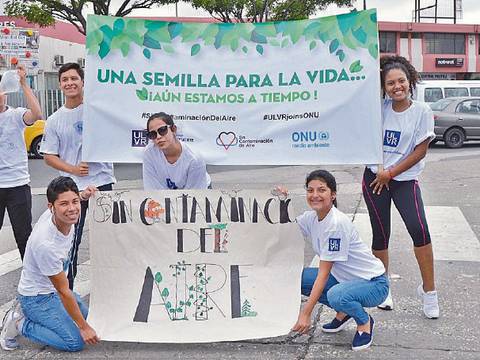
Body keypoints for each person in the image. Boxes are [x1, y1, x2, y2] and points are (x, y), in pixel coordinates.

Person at [362, 55, 439, 318]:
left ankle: (429, 292)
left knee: (420, 230)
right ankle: (383, 290)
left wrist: (392, 172)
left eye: (401, 81)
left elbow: (420, 150)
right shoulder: (378, 108)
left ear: (410, 81)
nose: (397, 87)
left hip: (403, 181)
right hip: (375, 179)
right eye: (390, 82)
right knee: (380, 235)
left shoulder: (421, 111)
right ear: (383, 86)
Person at [280, 170, 389, 351]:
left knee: (336, 295)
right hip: (345, 279)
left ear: (333, 194)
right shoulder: (312, 218)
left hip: (374, 284)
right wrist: (282, 202)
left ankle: (364, 321)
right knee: (296, 278)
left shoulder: (335, 224)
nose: (315, 195)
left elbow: (323, 274)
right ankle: (344, 311)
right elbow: (286, 228)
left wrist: (305, 314)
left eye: (321, 190)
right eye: (310, 190)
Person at [0, 176, 99, 352]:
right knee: (75, 342)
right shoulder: (46, 244)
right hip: (37, 298)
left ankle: (61, 320)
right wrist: (83, 327)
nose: (72, 209)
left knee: (93, 320)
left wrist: (84, 196)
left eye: (74, 201)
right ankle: (18, 323)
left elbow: (73, 200)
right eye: (64, 204)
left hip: (53, 291)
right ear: (51, 207)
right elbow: (63, 290)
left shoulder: (65, 215)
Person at [40, 62, 116, 289]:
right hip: (72, 191)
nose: (70, 83)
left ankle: (111, 292)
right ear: (60, 84)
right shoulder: (54, 120)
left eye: (74, 78)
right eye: (65, 80)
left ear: (83, 82)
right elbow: (48, 156)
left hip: (102, 184)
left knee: (109, 241)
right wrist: (73, 169)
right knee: (71, 241)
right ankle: (68, 291)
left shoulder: (98, 111)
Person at [0, 64, 43, 260]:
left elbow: (37, 114)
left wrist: (24, 84)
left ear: (5, 94)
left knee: (24, 235)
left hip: (18, 185)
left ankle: (32, 278)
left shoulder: (15, 115)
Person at [143, 112, 210, 190]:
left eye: (162, 130)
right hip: (166, 195)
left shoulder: (195, 158)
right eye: (152, 134)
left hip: (198, 191)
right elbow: (152, 190)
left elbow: (194, 194)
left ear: (173, 129)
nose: (158, 137)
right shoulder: (149, 153)